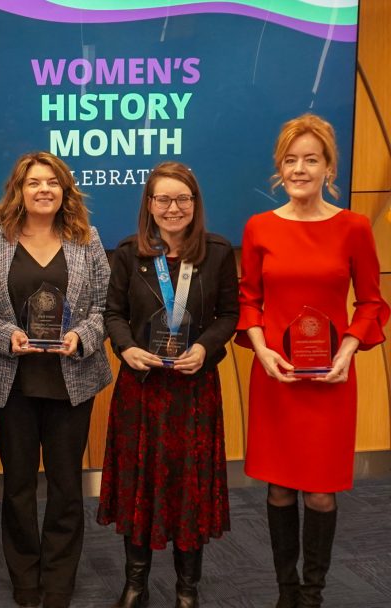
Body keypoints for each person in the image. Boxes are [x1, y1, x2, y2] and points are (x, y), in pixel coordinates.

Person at [237, 114, 388, 607]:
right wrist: (260, 350)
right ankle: (286, 592)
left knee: (321, 494)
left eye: (311, 159)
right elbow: (249, 301)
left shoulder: (353, 227)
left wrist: (347, 352)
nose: (300, 168)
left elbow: (370, 303)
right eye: (291, 159)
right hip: (276, 377)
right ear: (279, 168)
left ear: (329, 167)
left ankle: (314, 592)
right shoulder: (260, 227)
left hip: (331, 380)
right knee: (280, 491)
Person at [97, 161, 239, 608]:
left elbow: (230, 316)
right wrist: (124, 347)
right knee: (138, 482)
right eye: (163, 198)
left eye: (182, 198)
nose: (173, 207)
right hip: (141, 388)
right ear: (149, 204)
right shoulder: (128, 253)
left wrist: (207, 348)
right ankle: (135, 583)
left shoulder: (216, 252)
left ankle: (186, 589)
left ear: (195, 204)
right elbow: (113, 313)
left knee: (188, 487)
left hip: (193, 391)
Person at [0, 152, 112, 608]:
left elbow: (104, 308)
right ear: (19, 189)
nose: (44, 190)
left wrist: (80, 336)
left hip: (70, 380)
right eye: (34, 183)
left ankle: (58, 580)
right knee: (16, 485)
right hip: (9, 382)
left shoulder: (86, 239)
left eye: (53, 182)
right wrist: (5, 334)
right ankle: (24, 577)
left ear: (65, 190)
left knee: (66, 485)